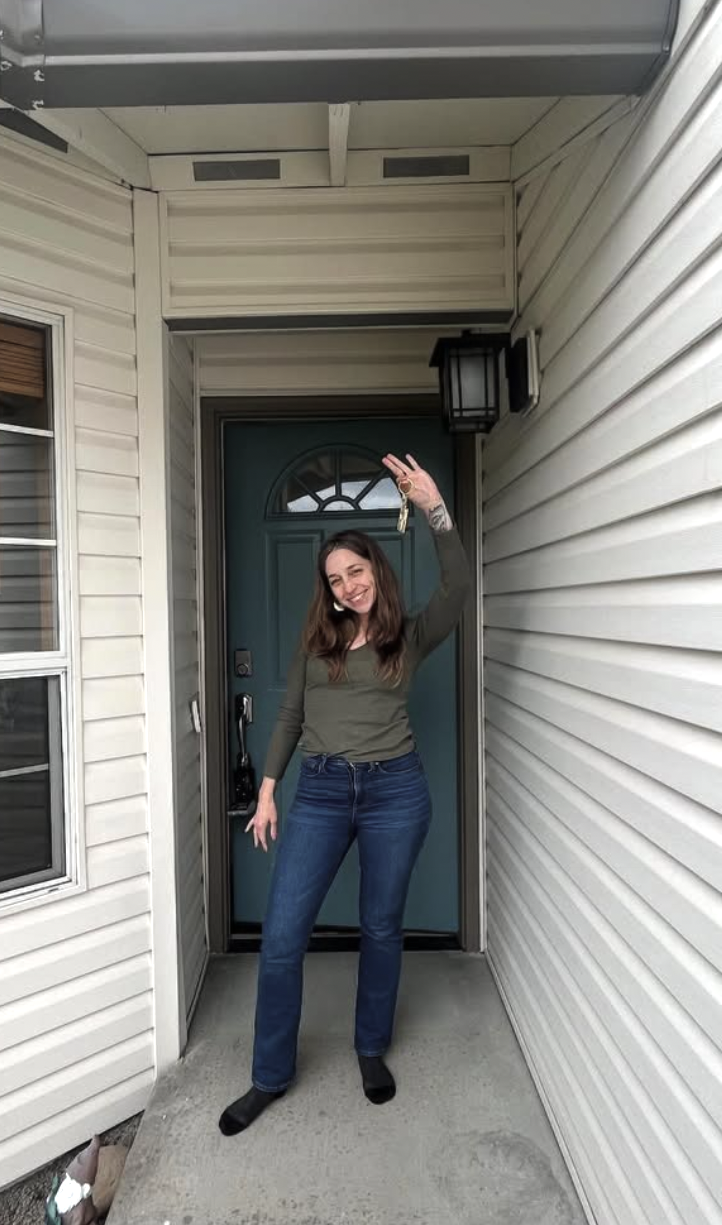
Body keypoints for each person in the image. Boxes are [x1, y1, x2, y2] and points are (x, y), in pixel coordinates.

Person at [219, 451, 470, 1136]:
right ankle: (268, 1076)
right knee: (282, 937)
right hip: (323, 792)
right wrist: (268, 792)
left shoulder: (408, 637)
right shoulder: (315, 644)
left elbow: (457, 586)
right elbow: (290, 717)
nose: (348, 584)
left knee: (381, 928)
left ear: (375, 572)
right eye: (335, 578)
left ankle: (370, 1048)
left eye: (356, 571)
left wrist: (433, 508)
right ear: (327, 588)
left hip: (396, 793)